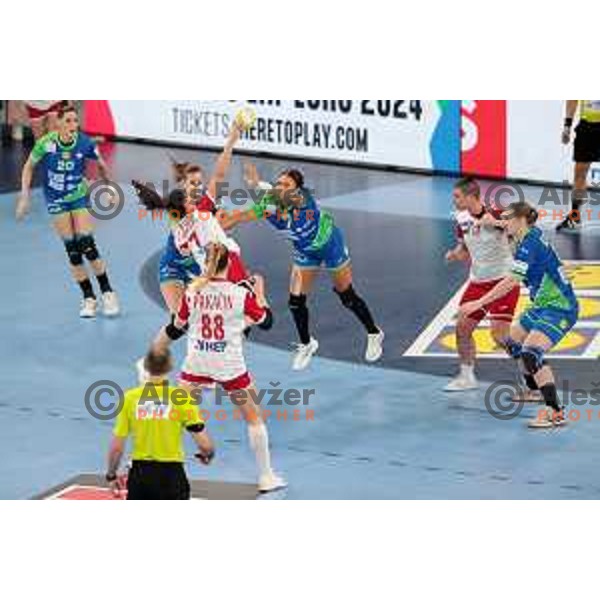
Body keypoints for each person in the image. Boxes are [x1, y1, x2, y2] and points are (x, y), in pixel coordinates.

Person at [221, 163, 384, 371]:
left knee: (347, 296)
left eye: (286, 184)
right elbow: (238, 217)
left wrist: (257, 187)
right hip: (305, 251)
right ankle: (307, 344)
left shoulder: (302, 199)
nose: (280, 187)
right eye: (278, 183)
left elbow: (277, 196)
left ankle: (374, 332)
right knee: (295, 302)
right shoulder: (268, 207)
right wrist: (210, 227)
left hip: (330, 244)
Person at [152, 242, 286, 494]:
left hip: (197, 361)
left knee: (176, 415)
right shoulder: (240, 295)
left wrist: (159, 344)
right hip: (229, 365)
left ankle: (151, 463)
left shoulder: (192, 292)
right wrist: (260, 294)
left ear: (206, 263)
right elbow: (267, 322)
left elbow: (178, 325)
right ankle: (266, 476)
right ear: (230, 265)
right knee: (254, 419)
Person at [459, 202, 579, 428]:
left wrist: (478, 303)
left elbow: (511, 281)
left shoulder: (529, 245)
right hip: (541, 305)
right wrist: (491, 221)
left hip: (560, 307)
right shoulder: (527, 232)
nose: (503, 224)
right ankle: (534, 390)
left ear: (521, 219)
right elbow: (502, 224)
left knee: (531, 353)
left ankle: (555, 410)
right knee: (510, 341)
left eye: (507, 219)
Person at [16, 103, 120, 318]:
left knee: (87, 245)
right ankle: (89, 298)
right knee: (73, 251)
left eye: (75, 120)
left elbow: (100, 164)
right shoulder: (47, 144)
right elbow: (28, 166)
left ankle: (108, 293)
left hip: (78, 197)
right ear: (58, 124)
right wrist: (25, 196)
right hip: (55, 199)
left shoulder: (84, 143)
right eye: (68, 121)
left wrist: (108, 186)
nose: (74, 125)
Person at [106, 348, 215, 500]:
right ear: (170, 366)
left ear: (146, 367)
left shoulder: (129, 399)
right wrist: (207, 455)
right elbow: (205, 445)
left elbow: (117, 448)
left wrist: (111, 475)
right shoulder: (182, 398)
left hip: (140, 476)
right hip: (172, 477)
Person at [444, 178, 520, 392]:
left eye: (457, 196)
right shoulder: (461, 219)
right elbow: (464, 248)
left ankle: (532, 368)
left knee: (500, 336)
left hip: (503, 282)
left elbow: (522, 229)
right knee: (462, 328)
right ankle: (467, 377)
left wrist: (495, 223)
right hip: (477, 282)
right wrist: (455, 254)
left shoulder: (497, 213)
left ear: (471, 196)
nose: (454, 200)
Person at [558, 100, 600, 231]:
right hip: (587, 128)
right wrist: (567, 127)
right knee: (580, 173)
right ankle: (574, 217)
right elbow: (573, 100)